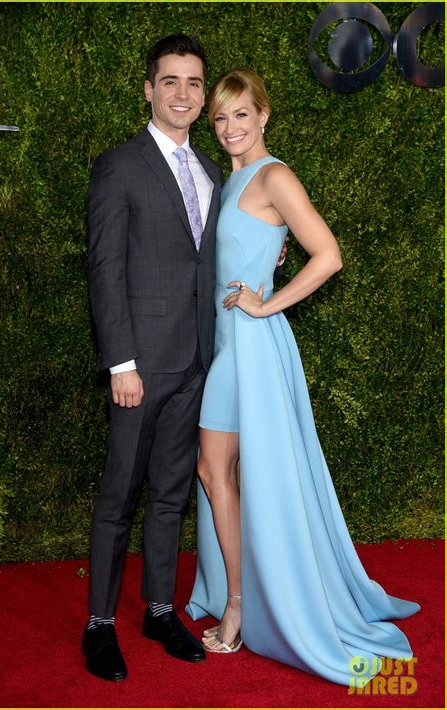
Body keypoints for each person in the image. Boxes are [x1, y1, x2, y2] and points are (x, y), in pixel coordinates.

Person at [186, 69, 421, 687]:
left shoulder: (274, 176)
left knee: (218, 471)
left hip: (252, 349)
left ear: (264, 116)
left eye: (242, 115)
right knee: (223, 474)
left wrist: (265, 303)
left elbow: (330, 253)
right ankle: (240, 593)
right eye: (220, 118)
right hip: (227, 346)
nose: (231, 128)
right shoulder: (232, 178)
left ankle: (239, 605)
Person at [84, 34, 223, 681]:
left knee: (170, 494)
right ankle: (100, 625)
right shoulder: (120, 166)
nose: (182, 94)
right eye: (170, 81)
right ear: (148, 88)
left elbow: (209, 262)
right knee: (120, 496)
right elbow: (105, 271)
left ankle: (160, 609)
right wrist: (121, 364)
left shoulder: (211, 173)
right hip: (139, 369)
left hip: (196, 364)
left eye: (194, 83)